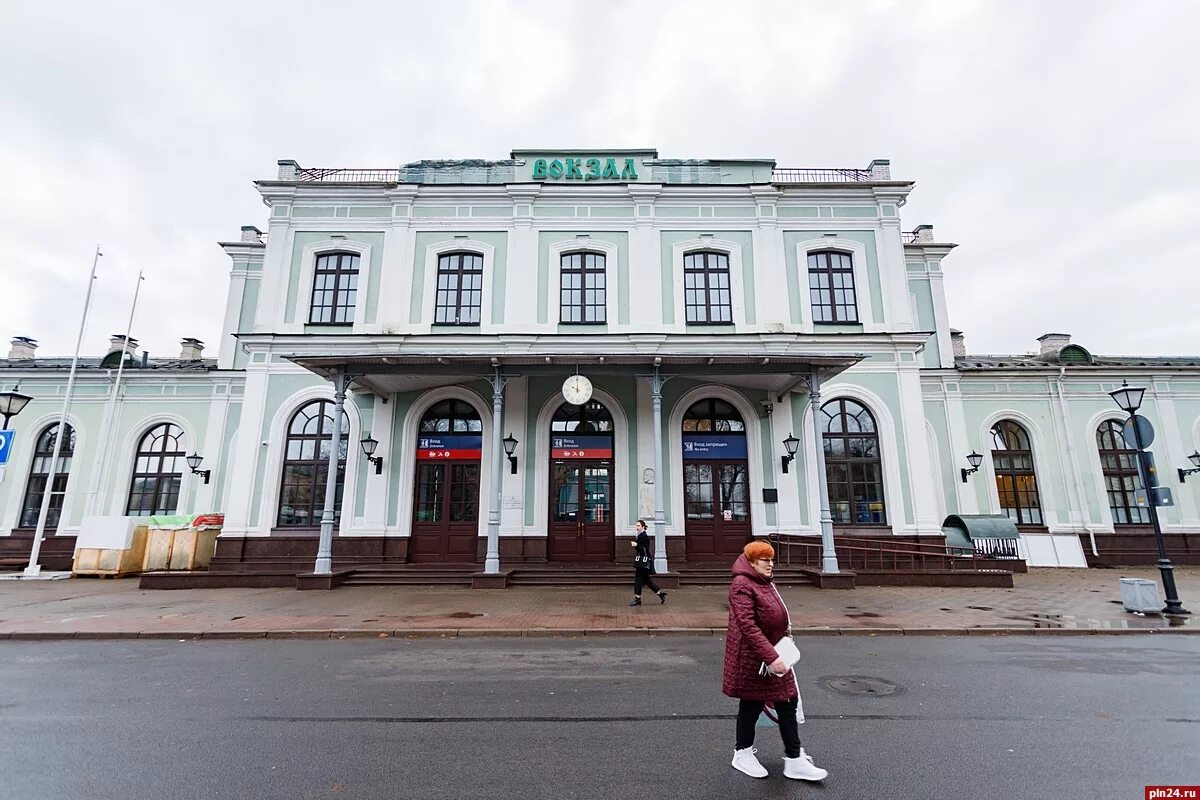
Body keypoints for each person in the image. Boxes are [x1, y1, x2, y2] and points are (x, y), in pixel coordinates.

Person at [722, 540, 827, 782]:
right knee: (751, 705)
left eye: (771, 559)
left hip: (775, 655)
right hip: (754, 660)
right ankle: (742, 753)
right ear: (751, 562)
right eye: (764, 560)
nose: (770, 564)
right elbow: (747, 625)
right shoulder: (741, 584)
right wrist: (771, 656)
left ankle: (794, 758)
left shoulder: (764, 581)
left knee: (788, 701)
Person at [628, 519, 667, 606]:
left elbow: (645, 549)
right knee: (646, 579)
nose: (636, 527)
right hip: (643, 561)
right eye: (636, 526)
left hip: (643, 561)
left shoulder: (644, 536)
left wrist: (636, 545)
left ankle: (637, 599)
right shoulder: (640, 535)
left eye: (638, 526)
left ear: (642, 527)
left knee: (638, 579)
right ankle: (660, 593)